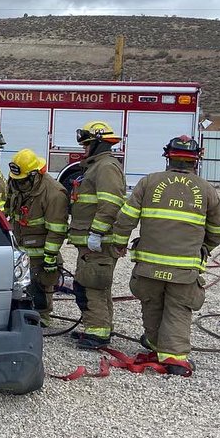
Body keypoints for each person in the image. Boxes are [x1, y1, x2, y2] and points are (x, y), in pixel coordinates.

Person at [109, 136, 220, 376]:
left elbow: (126, 218)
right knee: (178, 308)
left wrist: (119, 243)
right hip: (184, 270)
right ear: (196, 161)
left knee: (152, 303)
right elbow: (218, 230)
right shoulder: (206, 190)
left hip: (149, 265)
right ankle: (173, 358)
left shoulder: (149, 182)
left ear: (168, 157)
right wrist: (203, 247)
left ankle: (155, 345)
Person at [67, 120, 127, 349]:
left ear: (98, 144)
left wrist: (96, 233)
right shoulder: (97, 166)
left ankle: (97, 333)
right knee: (94, 285)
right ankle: (99, 328)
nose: (84, 149)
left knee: (91, 286)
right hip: (92, 242)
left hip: (98, 242)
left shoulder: (105, 167)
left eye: (87, 144)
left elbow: (110, 204)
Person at [6, 149, 69, 327]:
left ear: (35, 175)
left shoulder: (54, 193)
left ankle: (42, 316)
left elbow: (57, 229)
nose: (18, 184)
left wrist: (50, 257)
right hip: (20, 244)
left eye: (23, 181)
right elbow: (9, 209)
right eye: (16, 180)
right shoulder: (16, 182)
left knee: (40, 283)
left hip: (40, 250)